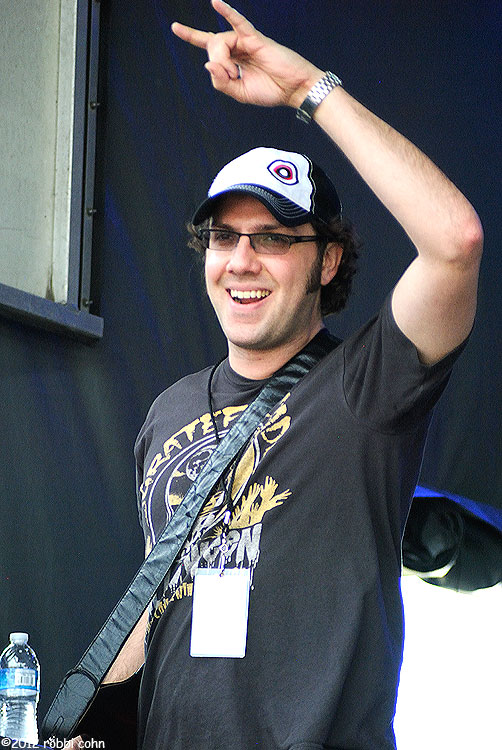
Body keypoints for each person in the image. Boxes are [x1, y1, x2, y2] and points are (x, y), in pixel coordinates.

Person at [69, 1, 483, 748]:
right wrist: (84, 716)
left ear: (327, 261)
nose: (241, 261)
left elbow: (455, 242)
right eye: (223, 236)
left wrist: (306, 91)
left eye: (272, 239)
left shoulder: (367, 388)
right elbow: (165, 601)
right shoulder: (168, 412)